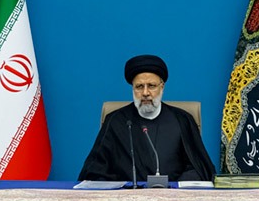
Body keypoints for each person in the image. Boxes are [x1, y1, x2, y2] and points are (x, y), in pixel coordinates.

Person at [78, 54, 215, 183]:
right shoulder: (115, 121)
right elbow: (94, 171)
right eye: (139, 86)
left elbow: (199, 169)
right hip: (127, 197)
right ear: (133, 89)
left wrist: (173, 189)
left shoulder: (182, 120)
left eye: (151, 86)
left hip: (172, 196)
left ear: (162, 87)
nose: (145, 93)